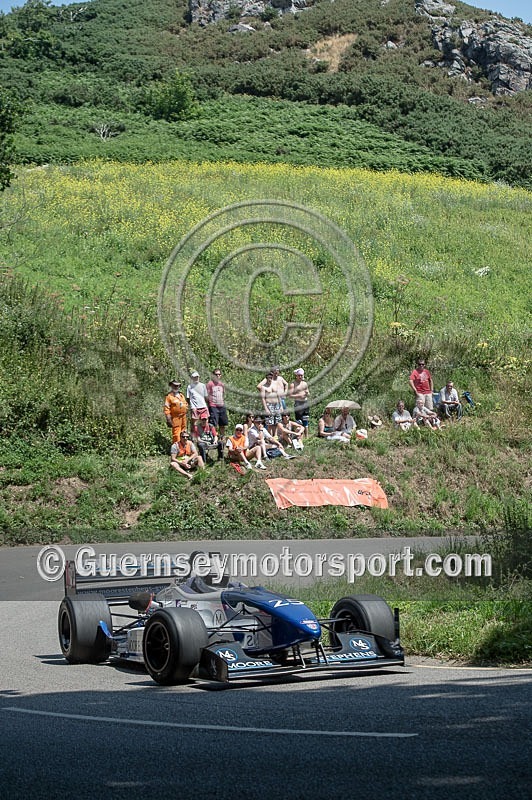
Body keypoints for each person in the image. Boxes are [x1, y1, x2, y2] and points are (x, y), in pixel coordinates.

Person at [164, 379, 188, 444]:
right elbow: (166, 408)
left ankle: (184, 449)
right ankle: (176, 450)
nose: (176, 387)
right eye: (174, 385)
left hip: (184, 417)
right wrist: (168, 419)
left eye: (177, 386)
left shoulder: (181, 395)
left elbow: (185, 404)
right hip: (175, 418)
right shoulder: (169, 396)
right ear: (171, 386)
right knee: (176, 435)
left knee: (184, 434)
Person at [206, 368, 228, 437]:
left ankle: (222, 437)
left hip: (221, 405)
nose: (218, 376)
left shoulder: (222, 384)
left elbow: (223, 394)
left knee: (222, 423)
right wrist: (209, 404)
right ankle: (214, 437)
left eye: (219, 374)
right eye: (216, 374)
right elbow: (207, 395)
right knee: (213, 423)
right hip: (213, 406)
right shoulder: (210, 384)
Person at [260, 371, 283, 435]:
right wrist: (266, 408)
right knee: (270, 423)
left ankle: (275, 435)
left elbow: (278, 396)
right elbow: (263, 398)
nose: (270, 379)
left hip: (276, 405)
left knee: (276, 422)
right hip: (269, 405)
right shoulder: (263, 387)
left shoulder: (275, 384)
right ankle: (270, 437)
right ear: (266, 378)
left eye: (271, 377)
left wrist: (281, 406)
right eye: (268, 377)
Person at [289, 368, 310, 437]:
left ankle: (306, 436)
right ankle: (299, 436)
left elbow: (308, 393)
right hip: (298, 403)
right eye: (299, 375)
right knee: (299, 421)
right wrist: (299, 395)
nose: (300, 377)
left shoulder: (305, 383)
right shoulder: (293, 384)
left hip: (305, 402)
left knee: (306, 420)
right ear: (296, 375)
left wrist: (307, 393)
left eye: (301, 375)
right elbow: (290, 395)